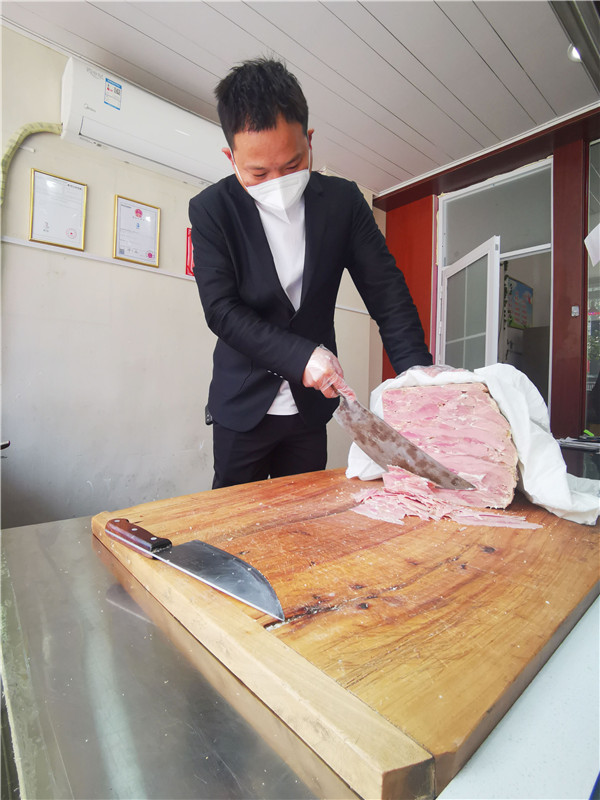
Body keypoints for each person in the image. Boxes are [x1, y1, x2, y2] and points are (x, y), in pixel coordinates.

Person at [189, 57, 432, 489]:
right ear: (231, 158)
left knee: (305, 517)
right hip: (242, 406)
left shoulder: (343, 203)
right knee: (236, 518)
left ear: (310, 141)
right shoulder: (211, 210)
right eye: (258, 172)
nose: (277, 182)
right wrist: (300, 356)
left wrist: (420, 384)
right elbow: (221, 310)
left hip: (311, 408)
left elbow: (387, 294)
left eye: (292, 164)